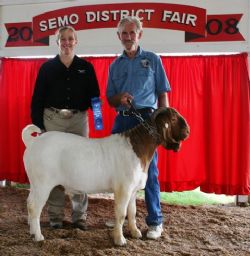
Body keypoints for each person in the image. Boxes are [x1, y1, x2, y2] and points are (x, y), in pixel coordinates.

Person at [106, 16, 171, 239]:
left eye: (132, 33)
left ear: (139, 34)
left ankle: (155, 222)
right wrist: (119, 99)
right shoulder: (114, 65)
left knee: (149, 173)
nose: (128, 37)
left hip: (146, 120)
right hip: (122, 120)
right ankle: (118, 217)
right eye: (124, 33)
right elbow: (109, 99)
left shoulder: (153, 59)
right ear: (118, 36)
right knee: (116, 171)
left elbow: (162, 93)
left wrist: (163, 124)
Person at [31, 25, 100, 230]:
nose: (67, 42)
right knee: (53, 168)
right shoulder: (47, 68)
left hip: (79, 121)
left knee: (82, 167)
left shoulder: (86, 67)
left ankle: (80, 217)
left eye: (71, 38)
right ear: (57, 42)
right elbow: (37, 100)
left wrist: (98, 122)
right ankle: (55, 217)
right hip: (53, 120)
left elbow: (95, 98)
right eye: (63, 39)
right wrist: (40, 128)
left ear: (76, 41)